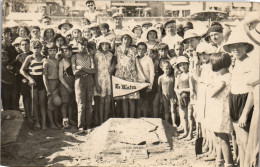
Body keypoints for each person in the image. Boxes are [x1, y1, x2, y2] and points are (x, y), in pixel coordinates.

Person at [223, 31, 255, 167]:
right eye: (233, 47)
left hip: (245, 101)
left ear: (246, 47)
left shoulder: (250, 63)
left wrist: (245, 113)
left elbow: (252, 91)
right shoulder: (236, 63)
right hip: (234, 100)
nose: (236, 49)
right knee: (239, 141)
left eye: (239, 46)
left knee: (247, 142)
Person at [207, 52, 234, 167]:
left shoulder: (226, 77)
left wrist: (209, 86)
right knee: (217, 136)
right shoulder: (219, 76)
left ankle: (229, 163)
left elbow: (213, 93)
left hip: (222, 109)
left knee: (223, 138)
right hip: (216, 108)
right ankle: (219, 161)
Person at [114, 31, 147, 118]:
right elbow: (115, 61)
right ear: (122, 40)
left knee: (132, 99)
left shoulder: (134, 50)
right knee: (124, 100)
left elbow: (137, 63)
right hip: (121, 76)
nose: (126, 40)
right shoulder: (117, 49)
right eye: (125, 38)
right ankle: (125, 118)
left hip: (131, 76)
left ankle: (132, 118)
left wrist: (143, 76)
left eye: (128, 39)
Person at [20, 40, 47, 130]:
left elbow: (45, 69)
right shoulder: (29, 58)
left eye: (38, 47)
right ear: (31, 48)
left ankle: (44, 123)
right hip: (33, 82)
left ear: (41, 48)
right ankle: (37, 122)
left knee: (42, 103)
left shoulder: (44, 57)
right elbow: (22, 70)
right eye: (34, 48)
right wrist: (30, 78)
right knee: (34, 103)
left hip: (42, 81)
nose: (36, 50)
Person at [71, 37, 96, 134]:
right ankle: (80, 126)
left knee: (89, 103)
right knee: (81, 104)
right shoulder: (75, 57)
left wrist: (82, 68)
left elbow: (93, 70)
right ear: (77, 45)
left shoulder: (90, 56)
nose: (83, 47)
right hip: (79, 81)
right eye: (81, 44)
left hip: (89, 80)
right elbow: (74, 72)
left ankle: (88, 125)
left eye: (85, 45)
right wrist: (85, 70)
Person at [175, 56, 195, 140]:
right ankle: (185, 132)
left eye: (185, 64)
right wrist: (178, 94)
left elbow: (192, 88)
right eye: (181, 65)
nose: (183, 66)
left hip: (189, 98)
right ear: (178, 67)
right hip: (181, 98)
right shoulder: (178, 76)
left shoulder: (190, 75)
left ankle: (190, 134)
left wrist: (182, 89)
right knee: (183, 117)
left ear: (188, 65)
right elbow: (175, 87)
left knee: (190, 116)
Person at [94, 37, 113, 124]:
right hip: (100, 78)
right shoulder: (97, 55)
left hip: (108, 79)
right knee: (101, 100)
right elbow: (95, 70)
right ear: (100, 45)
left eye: (106, 44)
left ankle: (106, 120)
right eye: (103, 44)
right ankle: (101, 120)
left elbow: (112, 66)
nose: (105, 46)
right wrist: (97, 84)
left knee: (108, 99)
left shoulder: (110, 55)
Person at [12, 38, 33, 119]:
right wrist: (19, 73)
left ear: (29, 45)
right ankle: (28, 114)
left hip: (33, 77)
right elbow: (12, 66)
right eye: (23, 45)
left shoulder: (33, 54)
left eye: (26, 44)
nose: (25, 46)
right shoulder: (19, 56)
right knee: (26, 96)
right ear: (20, 46)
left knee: (34, 97)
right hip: (23, 79)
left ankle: (34, 113)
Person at [43, 44, 62, 129]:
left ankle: (56, 121)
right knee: (50, 105)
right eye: (50, 50)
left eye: (54, 50)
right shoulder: (46, 62)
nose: (52, 52)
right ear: (47, 51)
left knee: (56, 103)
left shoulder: (58, 61)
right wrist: (47, 89)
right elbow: (44, 76)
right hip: (50, 84)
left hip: (57, 84)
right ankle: (51, 123)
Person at [59, 45, 76, 128]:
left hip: (73, 82)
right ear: (62, 53)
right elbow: (60, 76)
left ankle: (70, 119)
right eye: (65, 51)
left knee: (71, 103)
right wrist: (67, 87)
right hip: (65, 83)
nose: (68, 53)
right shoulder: (62, 62)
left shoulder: (73, 60)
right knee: (65, 103)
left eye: (69, 51)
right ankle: (64, 120)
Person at [136, 42, 154, 118]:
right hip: (136, 84)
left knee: (145, 103)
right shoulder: (134, 58)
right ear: (136, 49)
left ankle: (145, 119)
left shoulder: (148, 59)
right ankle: (138, 120)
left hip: (146, 84)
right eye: (139, 49)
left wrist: (150, 86)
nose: (141, 51)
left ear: (146, 51)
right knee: (138, 103)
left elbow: (152, 73)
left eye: (143, 49)